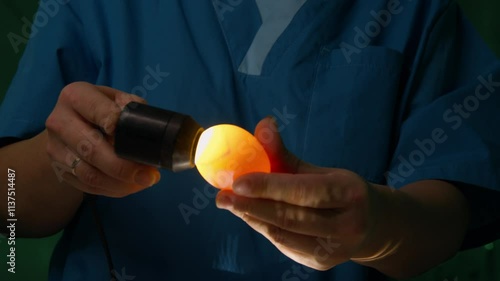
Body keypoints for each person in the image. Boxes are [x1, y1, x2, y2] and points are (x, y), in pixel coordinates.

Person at [1, 0, 499, 280]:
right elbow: (9, 204)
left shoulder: (415, 13)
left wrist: (379, 228)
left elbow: (453, 206)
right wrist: (68, 159)